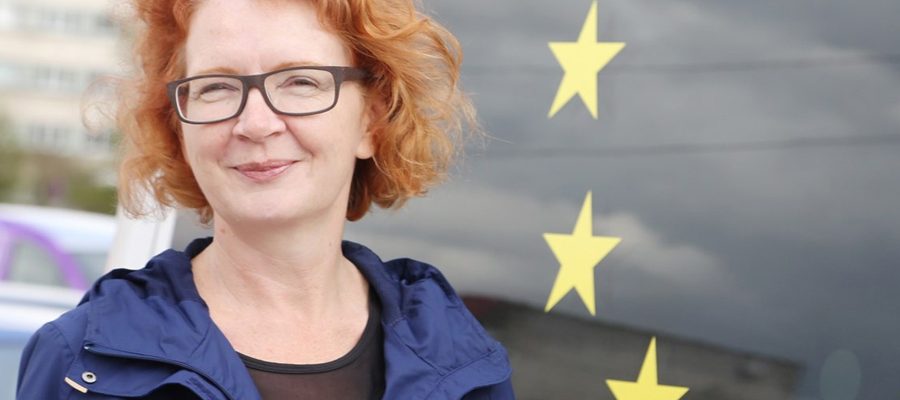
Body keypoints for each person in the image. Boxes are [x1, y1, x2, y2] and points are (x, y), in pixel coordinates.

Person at [16, 0, 514, 398]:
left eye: (300, 81)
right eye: (215, 87)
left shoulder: (461, 358)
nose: (255, 124)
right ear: (179, 129)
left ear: (371, 121)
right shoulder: (80, 361)